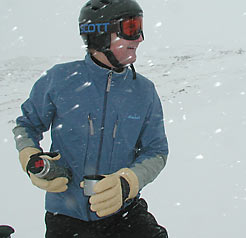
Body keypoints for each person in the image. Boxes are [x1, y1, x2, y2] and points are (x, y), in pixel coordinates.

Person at [12, 0, 169, 237]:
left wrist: (128, 182)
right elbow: (27, 125)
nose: (139, 38)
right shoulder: (60, 79)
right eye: (131, 28)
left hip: (123, 213)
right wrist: (30, 156)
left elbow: (156, 151)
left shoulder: (144, 91)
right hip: (65, 218)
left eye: (139, 27)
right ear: (99, 34)